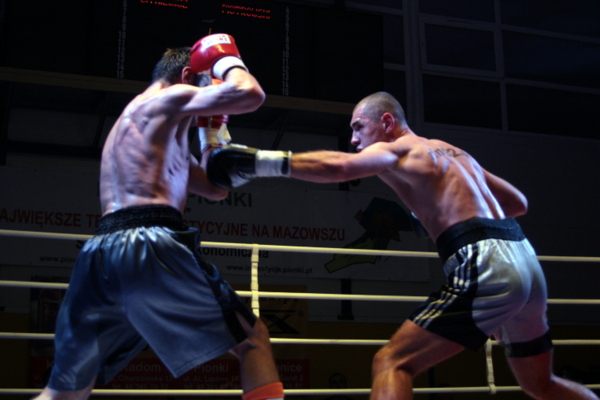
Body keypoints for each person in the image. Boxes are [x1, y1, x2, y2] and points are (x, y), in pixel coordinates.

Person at [205, 91, 599, 400]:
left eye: (359, 128)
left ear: (387, 122)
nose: (354, 139)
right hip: (525, 260)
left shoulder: (397, 148)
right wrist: (442, 210)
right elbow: (518, 203)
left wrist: (257, 162)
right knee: (540, 384)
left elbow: (340, 167)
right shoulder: (456, 153)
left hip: (487, 264)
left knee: (391, 363)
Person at [34, 34, 284, 400]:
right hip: (149, 243)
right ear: (187, 76)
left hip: (100, 255)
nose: (210, 99)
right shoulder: (167, 97)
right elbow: (250, 93)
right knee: (253, 339)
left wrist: (210, 135)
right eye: (208, 87)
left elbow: (214, 189)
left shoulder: (148, 127)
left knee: (65, 393)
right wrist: (225, 60)